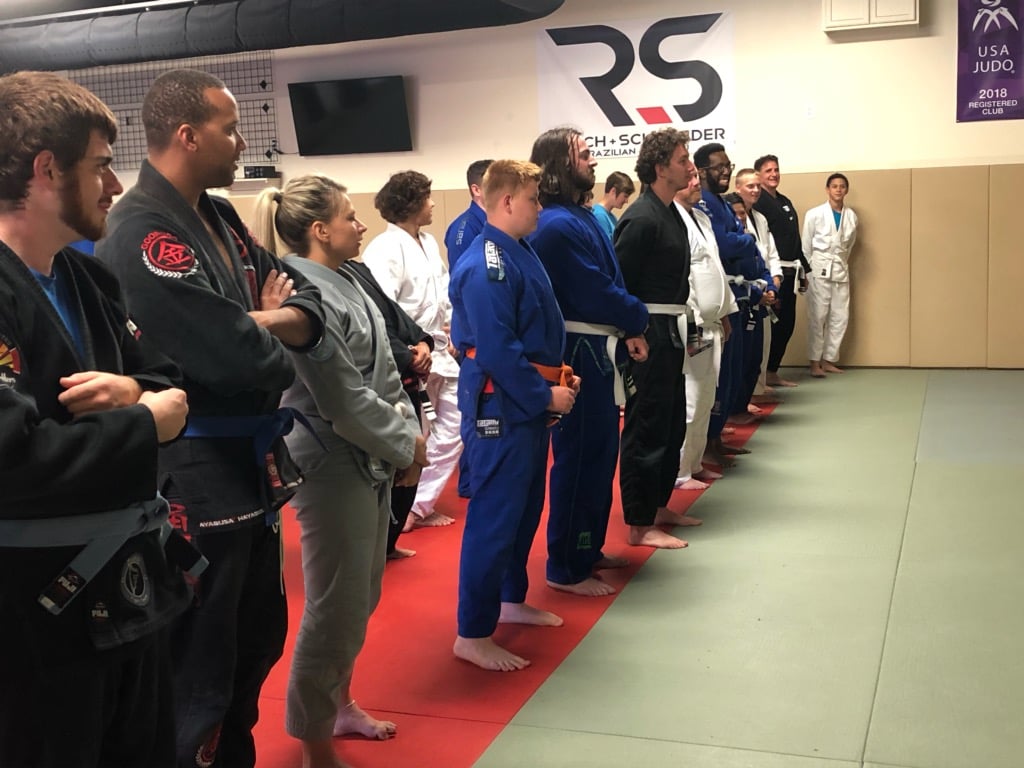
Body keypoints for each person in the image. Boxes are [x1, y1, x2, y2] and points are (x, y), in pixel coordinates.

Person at [96, 68, 326, 768]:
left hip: (249, 467)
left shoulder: (220, 215)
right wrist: (267, 330)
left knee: (255, 643)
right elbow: (236, 357)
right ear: (188, 136)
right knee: (200, 662)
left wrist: (265, 320)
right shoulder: (142, 229)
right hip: (196, 472)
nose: (242, 141)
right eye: (230, 129)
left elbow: (309, 303)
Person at [0, 71, 192, 768]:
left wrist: (138, 393)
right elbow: (15, 458)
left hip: (128, 580)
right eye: (101, 166)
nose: (114, 186)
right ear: (47, 170)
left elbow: (168, 384)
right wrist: (146, 421)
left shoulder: (90, 280)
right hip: (32, 609)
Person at [252, 175, 428, 768]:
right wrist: (405, 445)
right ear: (320, 230)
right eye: (351, 216)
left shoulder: (349, 278)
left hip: (370, 447)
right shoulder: (304, 291)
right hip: (330, 458)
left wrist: (408, 436)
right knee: (334, 605)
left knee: (361, 594)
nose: (361, 224)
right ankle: (314, 742)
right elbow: (342, 399)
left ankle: (338, 704)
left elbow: (386, 373)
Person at [449, 159, 578, 671]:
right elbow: (498, 349)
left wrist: (556, 379)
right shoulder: (486, 264)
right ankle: (472, 632)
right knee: (495, 515)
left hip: (524, 396)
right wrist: (543, 397)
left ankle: (508, 598)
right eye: (532, 199)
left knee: (524, 508)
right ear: (506, 201)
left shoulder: (517, 250)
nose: (540, 208)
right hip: (500, 403)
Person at [528, 128, 649, 595]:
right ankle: (566, 565)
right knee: (581, 458)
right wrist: (636, 317)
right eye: (583, 154)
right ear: (558, 164)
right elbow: (595, 290)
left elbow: (608, 281)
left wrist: (629, 324)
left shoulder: (579, 217)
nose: (593, 160)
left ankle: (588, 547)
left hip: (600, 347)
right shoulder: (556, 225)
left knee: (601, 455)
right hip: (580, 350)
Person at [615, 127, 699, 550]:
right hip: (647, 331)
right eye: (683, 160)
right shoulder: (641, 217)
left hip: (670, 328)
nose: (690, 166)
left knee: (670, 422)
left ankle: (658, 504)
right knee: (647, 424)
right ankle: (639, 522)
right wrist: (632, 330)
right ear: (660, 167)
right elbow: (621, 283)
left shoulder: (669, 212)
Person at [363, 171, 462, 529]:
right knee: (414, 433)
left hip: (438, 348)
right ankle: (401, 509)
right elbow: (383, 307)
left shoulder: (429, 242)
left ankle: (418, 504)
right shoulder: (384, 249)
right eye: (427, 197)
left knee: (456, 425)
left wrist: (452, 328)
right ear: (411, 203)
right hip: (409, 353)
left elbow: (444, 291)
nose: (433, 203)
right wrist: (408, 348)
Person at [341, 257, 434, 560]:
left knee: (409, 470)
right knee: (384, 473)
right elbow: (370, 335)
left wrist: (421, 342)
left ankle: (388, 543)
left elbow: (395, 316)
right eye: (352, 226)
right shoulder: (314, 281)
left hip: (402, 379)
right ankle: (373, 547)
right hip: (371, 389)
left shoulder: (357, 269)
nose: (361, 232)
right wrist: (408, 355)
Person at [695, 144, 760, 465]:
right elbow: (724, 245)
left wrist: (741, 241)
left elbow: (736, 243)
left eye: (728, 166)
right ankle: (706, 445)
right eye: (719, 167)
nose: (725, 171)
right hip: (714, 302)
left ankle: (716, 439)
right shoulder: (704, 203)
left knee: (732, 373)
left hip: (733, 298)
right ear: (701, 171)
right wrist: (745, 239)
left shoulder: (721, 203)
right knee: (717, 378)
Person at [673, 165, 737, 491]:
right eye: (689, 178)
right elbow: (683, 277)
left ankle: (695, 463)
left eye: (698, 177)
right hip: (695, 325)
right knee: (693, 397)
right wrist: (694, 322)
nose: (696, 182)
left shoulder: (701, 218)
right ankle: (680, 471)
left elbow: (716, 270)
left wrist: (726, 312)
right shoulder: (673, 220)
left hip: (714, 324)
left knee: (707, 397)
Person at [445, 158, 493, 498]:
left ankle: (480, 476)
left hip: (488, 333)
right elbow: (466, 286)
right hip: (474, 335)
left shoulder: (493, 223)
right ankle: (470, 480)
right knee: (475, 412)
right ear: (477, 189)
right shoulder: (465, 229)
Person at [753, 155, 811, 387]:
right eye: (768, 170)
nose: (774, 174)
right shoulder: (758, 203)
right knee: (774, 325)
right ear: (759, 175)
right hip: (774, 272)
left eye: (776, 169)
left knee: (787, 324)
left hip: (791, 271)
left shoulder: (784, 200)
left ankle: (772, 371)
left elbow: (794, 238)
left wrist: (804, 269)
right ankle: (761, 375)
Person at [803, 173, 859, 377]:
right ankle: (814, 362)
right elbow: (805, 246)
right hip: (818, 269)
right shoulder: (814, 214)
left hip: (840, 268)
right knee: (818, 317)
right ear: (827, 189)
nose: (838, 189)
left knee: (840, 316)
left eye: (842, 186)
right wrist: (807, 272)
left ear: (846, 190)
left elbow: (849, 246)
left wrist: (840, 261)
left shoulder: (851, 216)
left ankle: (828, 360)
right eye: (834, 186)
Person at [591, 171, 636, 241]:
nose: (626, 201)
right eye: (625, 196)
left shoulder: (611, 217)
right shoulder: (600, 215)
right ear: (613, 191)